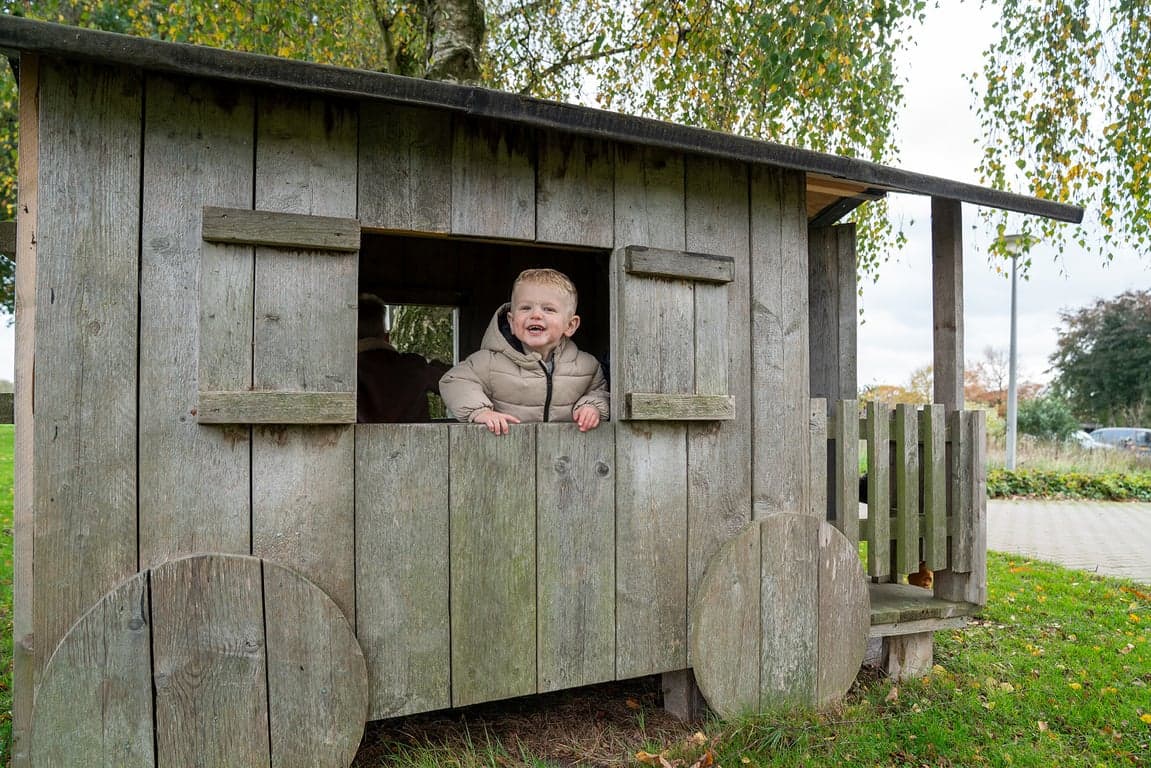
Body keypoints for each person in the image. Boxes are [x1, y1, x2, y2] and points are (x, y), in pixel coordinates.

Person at [439, 268, 609, 435]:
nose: (535, 315)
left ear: (570, 325)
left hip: (565, 454)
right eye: (526, 308)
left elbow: (600, 392)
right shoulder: (489, 362)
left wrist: (591, 406)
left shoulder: (587, 366)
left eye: (548, 309)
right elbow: (454, 380)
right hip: (507, 451)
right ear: (512, 322)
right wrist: (480, 411)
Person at [357, 295, 450, 423]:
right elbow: (455, 382)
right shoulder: (414, 366)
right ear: (387, 337)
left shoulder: (345, 373)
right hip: (419, 442)